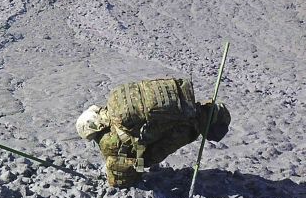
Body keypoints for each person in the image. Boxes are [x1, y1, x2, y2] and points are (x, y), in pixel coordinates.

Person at [76, 78, 230, 187]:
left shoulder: (108, 141)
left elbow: (159, 148)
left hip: (177, 127)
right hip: (120, 137)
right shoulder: (115, 102)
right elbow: (161, 147)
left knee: (140, 156)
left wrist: (142, 159)